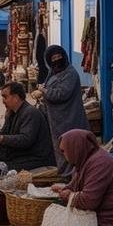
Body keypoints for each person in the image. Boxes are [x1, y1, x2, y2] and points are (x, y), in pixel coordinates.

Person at [0, 82, 55, 203]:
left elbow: (25, 140)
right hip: (16, 157)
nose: (3, 101)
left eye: (5, 97)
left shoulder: (30, 113)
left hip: (33, 159)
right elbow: (5, 133)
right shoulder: (12, 113)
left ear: (16, 97)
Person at [35, 45, 89, 177]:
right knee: (61, 147)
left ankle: (74, 175)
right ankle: (66, 174)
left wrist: (44, 91)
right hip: (57, 120)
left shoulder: (70, 73)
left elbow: (61, 94)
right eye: (53, 59)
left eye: (59, 57)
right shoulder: (53, 73)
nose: (56, 60)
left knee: (72, 146)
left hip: (70, 118)